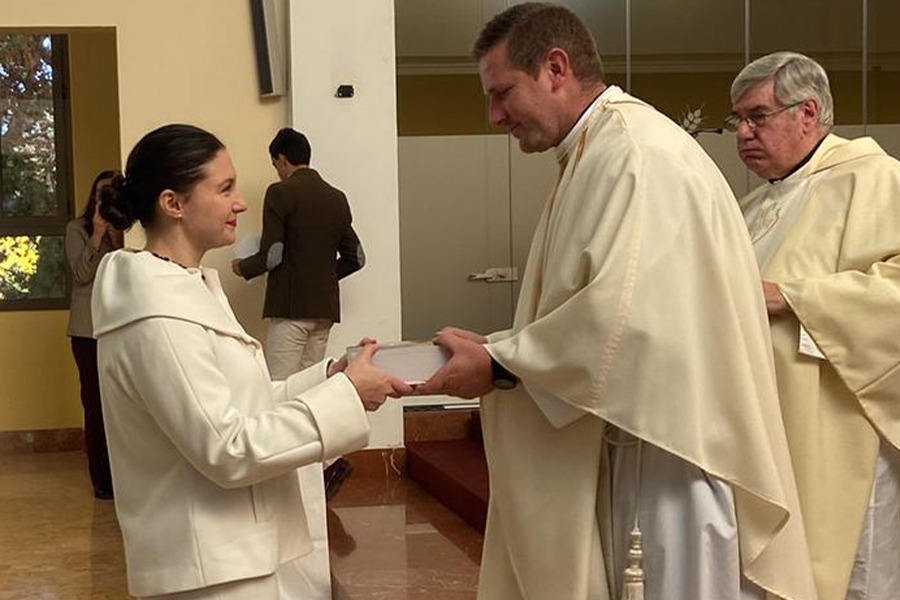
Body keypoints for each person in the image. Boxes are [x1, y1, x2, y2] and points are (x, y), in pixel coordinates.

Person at [416, 4, 817, 599]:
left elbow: (623, 320)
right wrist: (502, 349)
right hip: (637, 438)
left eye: (503, 93)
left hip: (668, 457)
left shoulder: (635, 155)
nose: (495, 116)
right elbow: (596, 305)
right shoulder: (597, 150)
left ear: (555, 68)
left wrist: (500, 364)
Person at [91, 123, 411, 599]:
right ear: (173, 204)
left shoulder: (186, 287)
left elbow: (245, 404)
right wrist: (346, 397)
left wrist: (329, 379)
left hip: (233, 555)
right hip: (209, 571)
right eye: (224, 189)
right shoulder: (157, 314)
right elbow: (227, 447)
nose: (240, 202)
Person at [729, 52, 900, 600]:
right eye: (738, 120)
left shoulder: (877, 178)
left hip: (840, 429)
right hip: (764, 425)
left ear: (807, 113)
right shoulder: (752, 206)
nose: (744, 133)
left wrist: (796, 298)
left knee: (852, 576)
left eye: (757, 116)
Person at [232, 127, 363, 496]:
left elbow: (272, 255)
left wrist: (243, 268)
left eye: (275, 164)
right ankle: (320, 467)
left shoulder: (282, 192)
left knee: (279, 390)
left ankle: (301, 473)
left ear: (282, 159)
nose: (276, 171)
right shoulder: (336, 197)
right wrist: (322, 277)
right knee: (312, 392)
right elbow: (357, 257)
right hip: (323, 309)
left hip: (290, 308)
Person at [64, 169, 124, 500]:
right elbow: (81, 273)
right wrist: (98, 234)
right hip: (87, 330)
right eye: (102, 192)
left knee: (122, 403)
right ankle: (102, 479)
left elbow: (128, 274)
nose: (106, 198)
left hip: (118, 324)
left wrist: (117, 239)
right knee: (95, 403)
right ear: (92, 194)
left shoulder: (125, 228)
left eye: (113, 192)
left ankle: (126, 474)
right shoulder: (77, 228)